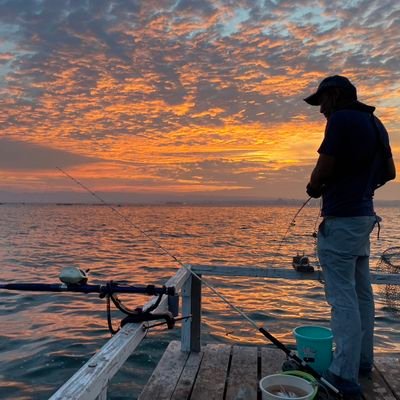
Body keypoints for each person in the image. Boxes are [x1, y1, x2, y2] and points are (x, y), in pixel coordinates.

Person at [304, 75, 396, 399]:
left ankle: (343, 377)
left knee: (342, 298)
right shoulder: (375, 122)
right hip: (364, 218)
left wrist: (315, 187)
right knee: (361, 293)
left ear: (336, 95)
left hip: (342, 221)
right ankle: (362, 363)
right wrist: (363, 185)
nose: (321, 111)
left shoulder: (341, 120)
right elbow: (389, 172)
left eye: (322, 102)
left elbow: (323, 167)